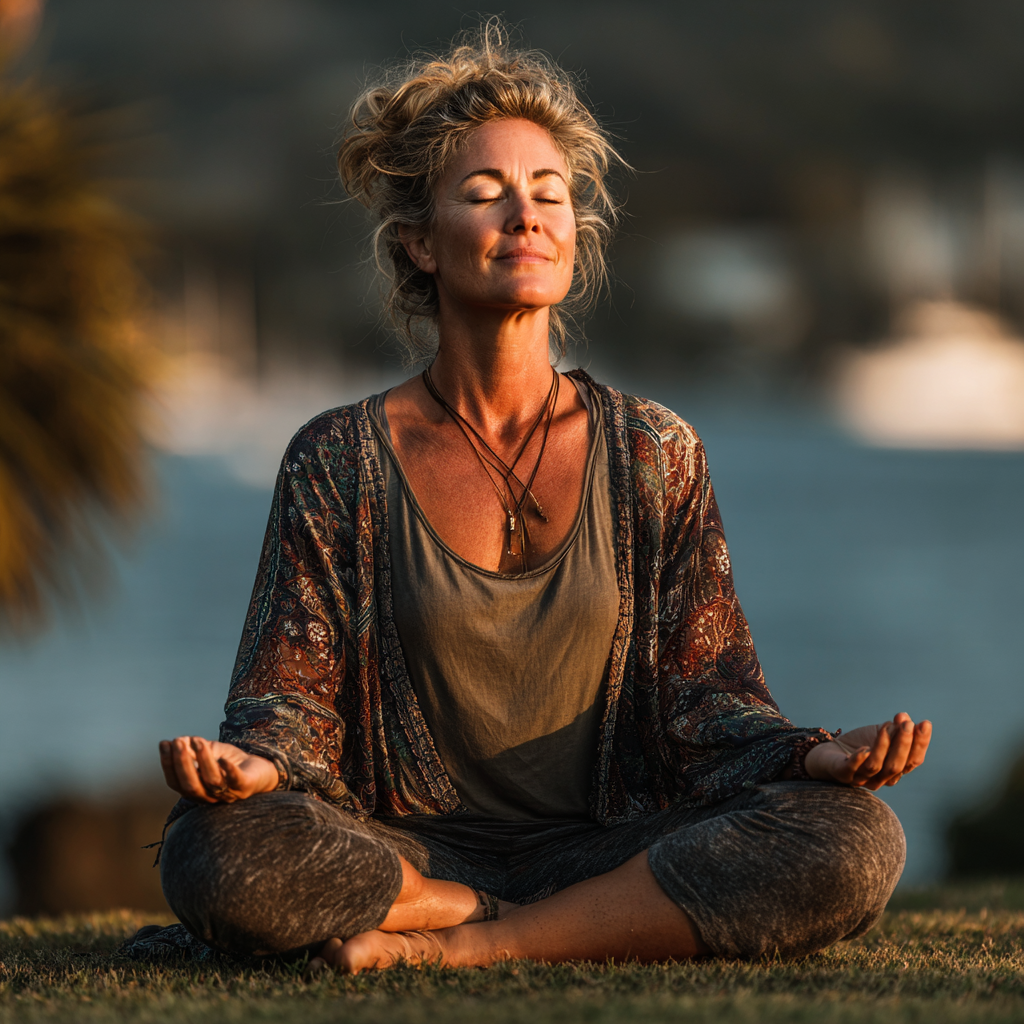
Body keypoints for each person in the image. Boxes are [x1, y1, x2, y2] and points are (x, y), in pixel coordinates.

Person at [153, 23, 931, 974]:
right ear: (420, 245)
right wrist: (254, 769)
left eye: (548, 193)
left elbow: (709, 705)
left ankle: (466, 944)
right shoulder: (338, 458)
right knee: (215, 850)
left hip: (609, 846)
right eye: (484, 195)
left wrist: (814, 759)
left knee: (854, 839)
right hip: (399, 849)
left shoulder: (654, 450)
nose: (525, 214)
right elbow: (288, 702)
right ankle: (497, 907)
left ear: (573, 236)